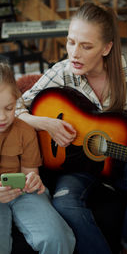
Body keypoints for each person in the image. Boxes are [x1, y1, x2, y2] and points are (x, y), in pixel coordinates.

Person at [16, 2, 127, 254]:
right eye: (71, 42)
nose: (74, 54)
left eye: (86, 46)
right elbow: (13, 107)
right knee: (64, 204)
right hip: (79, 165)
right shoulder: (63, 72)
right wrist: (46, 123)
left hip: (124, 159)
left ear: (107, 47)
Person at [0, 62, 75, 254]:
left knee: (56, 237)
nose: (2, 117)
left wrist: (33, 180)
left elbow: (29, 173)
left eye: (9, 108)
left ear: (16, 100)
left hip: (23, 193)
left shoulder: (24, 130)